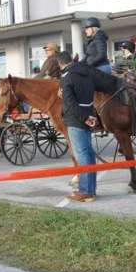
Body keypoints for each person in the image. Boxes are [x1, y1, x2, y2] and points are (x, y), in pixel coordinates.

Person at [58, 51, 98, 202]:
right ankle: (91, 189)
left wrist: (84, 118)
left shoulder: (66, 78)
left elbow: (70, 104)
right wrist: (88, 116)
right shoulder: (86, 73)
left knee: (82, 156)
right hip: (88, 114)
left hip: (76, 120)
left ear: (60, 64)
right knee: (89, 154)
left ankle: (85, 192)